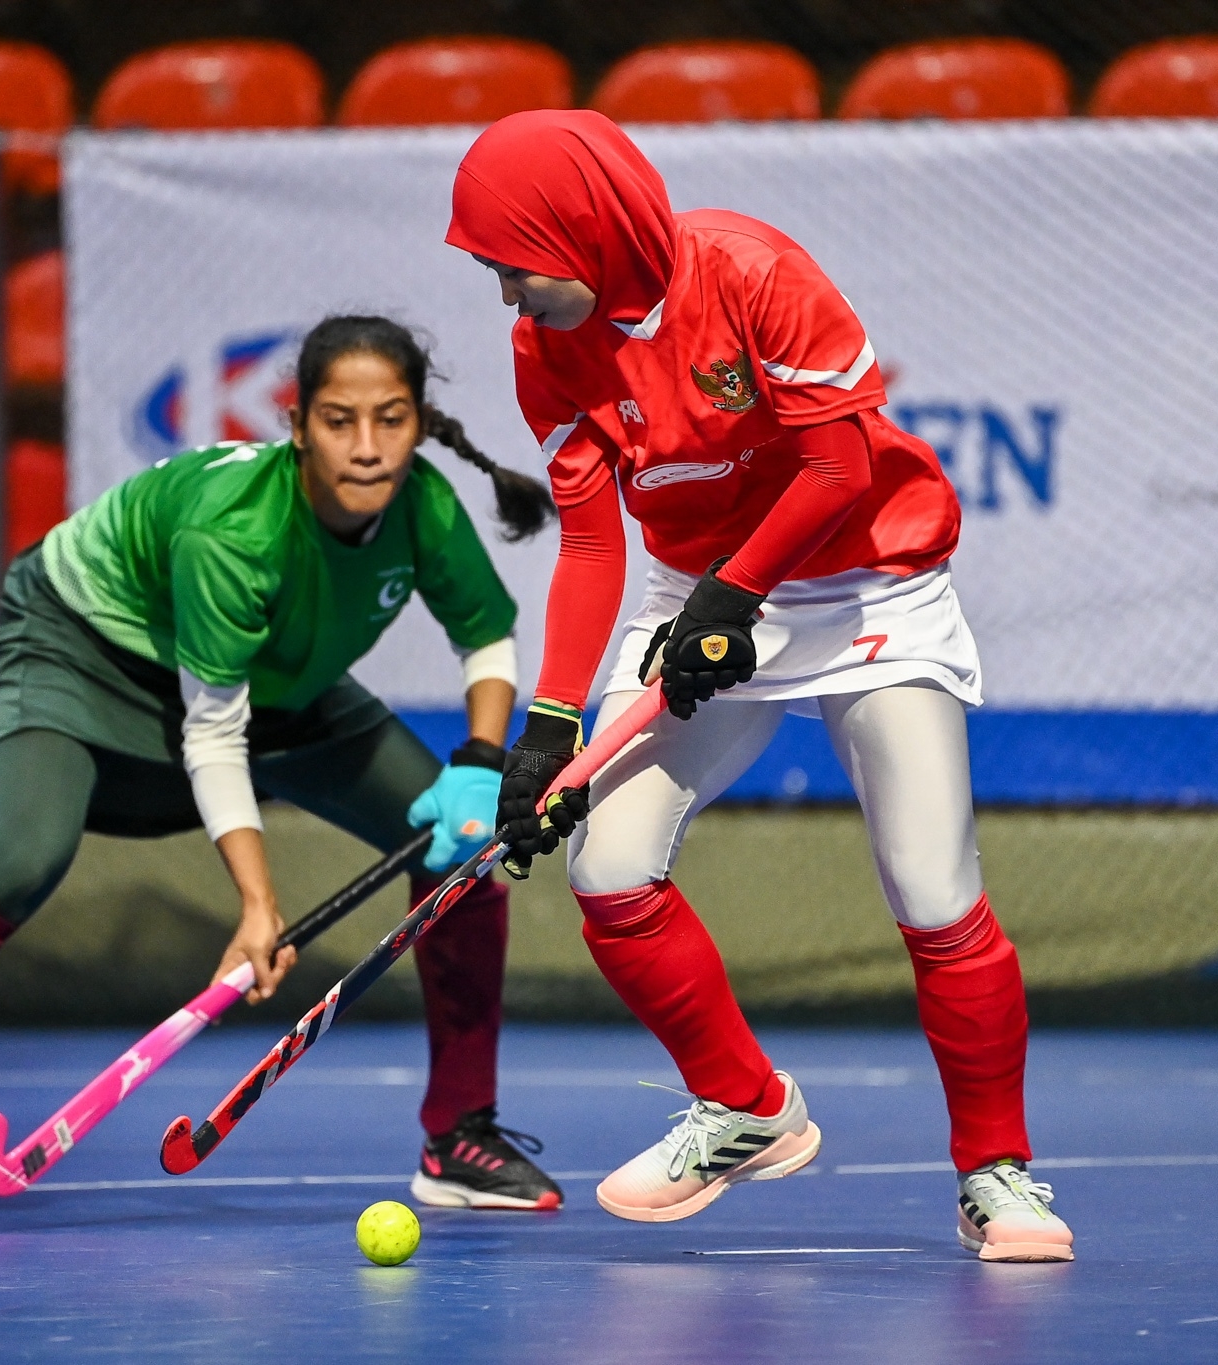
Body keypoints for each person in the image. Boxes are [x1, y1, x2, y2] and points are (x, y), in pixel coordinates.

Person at [0, 316, 566, 1224]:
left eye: (391, 419)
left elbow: (485, 633)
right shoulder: (235, 532)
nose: (368, 448)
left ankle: (460, 1136)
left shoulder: (422, 504)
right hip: (81, 652)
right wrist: (257, 907)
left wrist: (479, 767)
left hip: (278, 686)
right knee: (17, 862)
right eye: (340, 420)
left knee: (462, 860)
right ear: (297, 426)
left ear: (419, 426)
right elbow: (214, 733)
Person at [445, 111, 1074, 1262]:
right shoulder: (547, 347)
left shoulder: (751, 272)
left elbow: (838, 464)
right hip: (692, 590)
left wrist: (734, 599)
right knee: (607, 866)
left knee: (932, 890)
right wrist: (548, 725)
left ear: (582, 232)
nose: (504, 299)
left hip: (864, 583)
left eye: (512, 267)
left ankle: (997, 1176)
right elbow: (590, 546)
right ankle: (744, 1108)